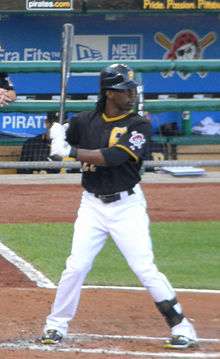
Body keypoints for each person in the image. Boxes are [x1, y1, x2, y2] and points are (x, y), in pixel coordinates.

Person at [40, 64, 198, 350]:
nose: (132, 93)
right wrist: (55, 133)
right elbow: (55, 147)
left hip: (127, 207)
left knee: (144, 268)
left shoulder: (139, 124)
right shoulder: (84, 121)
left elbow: (114, 157)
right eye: (127, 89)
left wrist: (71, 151)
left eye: (133, 88)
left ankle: (181, 326)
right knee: (76, 266)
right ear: (110, 92)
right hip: (91, 206)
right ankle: (55, 325)